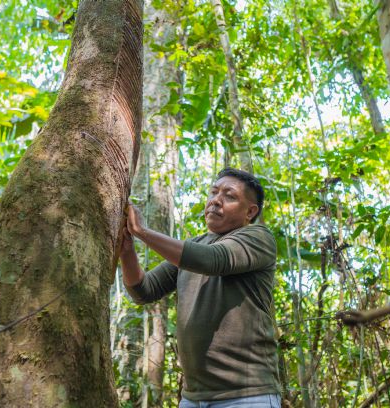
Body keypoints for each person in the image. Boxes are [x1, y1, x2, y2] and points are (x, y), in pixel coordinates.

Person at [120, 168, 282, 408]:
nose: (216, 200)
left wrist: (143, 232)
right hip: (193, 398)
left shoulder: (258, 237)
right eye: (214, 192)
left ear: (250, 212)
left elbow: (213, 260)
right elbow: (144, 290)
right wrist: (127, 250)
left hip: (247, 395)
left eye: (229, 196)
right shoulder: (194, 246)